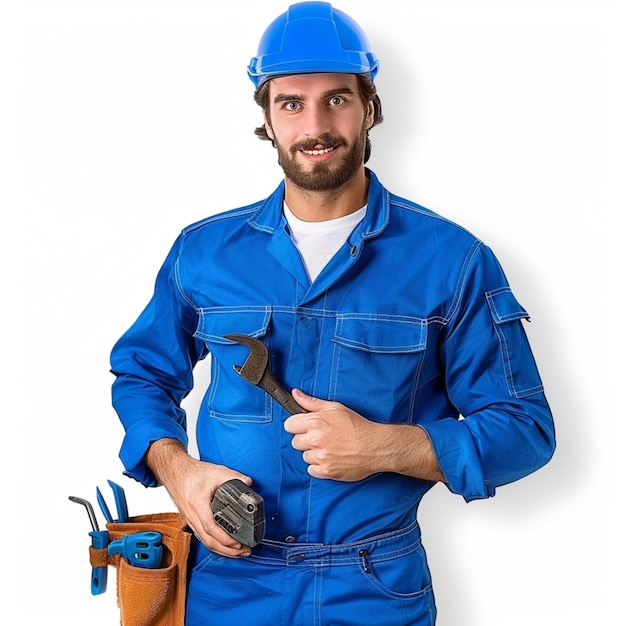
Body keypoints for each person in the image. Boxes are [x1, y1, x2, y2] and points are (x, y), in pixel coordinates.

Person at [110, 2, 556, 624]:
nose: (315, 124)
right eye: (291, 102)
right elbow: (144, 373)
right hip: (231, 580)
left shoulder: (453, 261)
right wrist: (178, 471)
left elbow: (524, 431)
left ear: (370, 107)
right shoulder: (204, 253)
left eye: (337, 99)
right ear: (265, 117)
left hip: (373, 587)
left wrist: (386, 447)